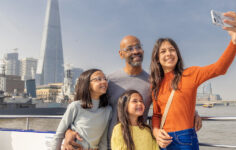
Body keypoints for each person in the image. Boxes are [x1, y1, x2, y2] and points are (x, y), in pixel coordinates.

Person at [62, 35, 202, 150]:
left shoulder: (153, 82)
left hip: (140, 144)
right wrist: (68, 130)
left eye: (138, 47)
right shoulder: (109, 81)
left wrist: (193, 112)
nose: (135, 51)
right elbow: (87, 107)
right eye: (129, 49)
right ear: (121, 54)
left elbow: (168, 104)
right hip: (109, 144)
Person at [150, 11, 236, 149]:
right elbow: (157, 114)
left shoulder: (191, 74)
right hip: (164, 141)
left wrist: (235, 41)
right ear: (157, 58)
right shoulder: (156, 85)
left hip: (185, 139)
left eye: (172, 50)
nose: (169, 53)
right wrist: (156, 132)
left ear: (177, 54)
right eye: (163, 51)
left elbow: (219, 68)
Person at [52, 69, 112, 150]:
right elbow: (59, 135)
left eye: (105, 79)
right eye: (98, 79)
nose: (104, 81)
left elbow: (103, 141)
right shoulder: (75, 106)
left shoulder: (108, 110)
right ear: (87, 84)